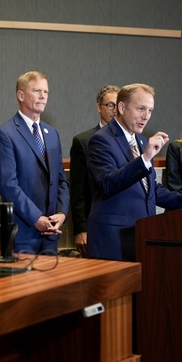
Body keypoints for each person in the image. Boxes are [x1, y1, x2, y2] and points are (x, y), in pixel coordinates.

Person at [87, 83, 182, 261]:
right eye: (140, 109)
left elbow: (152, 190)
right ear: (122, 107)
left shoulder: (143, 142)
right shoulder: (101, 140)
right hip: (113, 241)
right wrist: (144, 159)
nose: (146, 116)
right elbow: (108, 183)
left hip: (143, 238)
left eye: (150, 110)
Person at [0, 71, 69, 255]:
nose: (43, 96)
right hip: (22, 234)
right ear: (20, 95)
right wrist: (36, 218)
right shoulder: (4, 134)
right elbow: (8, 186)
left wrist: (62, 213)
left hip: (51, 232)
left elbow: (60, 179)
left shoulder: (52, 133)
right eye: (37, 91)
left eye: (46, 92)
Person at [69, 85, 119, 257]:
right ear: (99, 107)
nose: (115, 110)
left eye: (118, 105)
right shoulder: (83, 141)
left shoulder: (131, 140)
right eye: (110, 105)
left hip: (124, 226)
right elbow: (78, 191)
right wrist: (81, 230)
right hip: (96, 225)